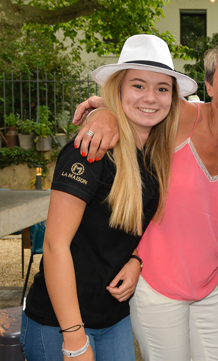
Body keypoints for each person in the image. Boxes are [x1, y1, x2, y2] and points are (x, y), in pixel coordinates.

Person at [71, 42, 218, 360]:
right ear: (209, 85)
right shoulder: (182, 117)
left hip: (208, 283)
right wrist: (104, 113)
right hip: (154, 282)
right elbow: (140, 104)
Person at [20, 34, 196, 361]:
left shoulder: (155, 155)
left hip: (114, 319)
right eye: (138, 85)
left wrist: (136, 259)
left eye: (162, 88)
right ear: (117, 89)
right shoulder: (90, 151)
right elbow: (56, 246)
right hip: (59, 324)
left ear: (173, 97)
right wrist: (74, 338)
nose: (151, 98)